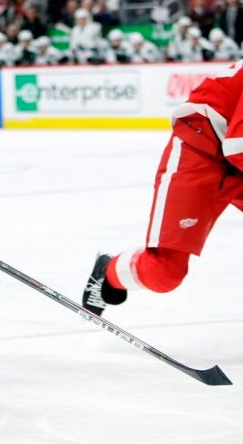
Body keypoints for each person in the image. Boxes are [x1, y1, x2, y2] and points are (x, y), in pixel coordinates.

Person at [82, 59, 243, 316]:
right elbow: (238, 145)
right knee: (164, 273)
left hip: (234, 160)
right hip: (201, 149)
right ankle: (108, 273)